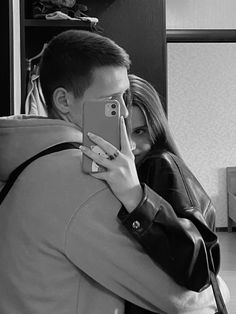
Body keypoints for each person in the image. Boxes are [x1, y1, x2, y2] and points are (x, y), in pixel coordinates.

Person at [0, 30, 228, 314]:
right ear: (63, 101)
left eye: (124, 96)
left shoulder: (28, 157)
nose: (122, 110)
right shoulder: (78, 176)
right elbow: (177, 299)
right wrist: (219, 289)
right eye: (110, 101)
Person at [81, 73, 230, 314]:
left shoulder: (160, 164)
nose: (130, 145)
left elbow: (201, 270)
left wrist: (134, 195)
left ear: (157, 129)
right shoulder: (128, 173)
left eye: (140, 132)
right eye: (121, 132)